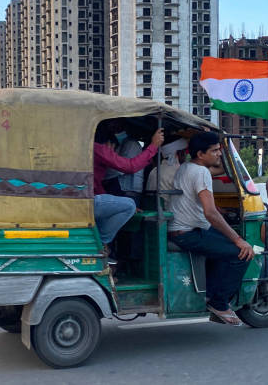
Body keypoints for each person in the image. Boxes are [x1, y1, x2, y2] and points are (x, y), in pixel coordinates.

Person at [169, 132, 254, 326]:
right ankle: (219, 303)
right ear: (201, 154)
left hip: (184, 229)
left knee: (225, 244)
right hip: (189, 233)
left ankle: (211, 295)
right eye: (215, 151)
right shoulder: (201, 172)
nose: (218, 154)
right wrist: (238, 240)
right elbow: (210, 213)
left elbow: (203, 205)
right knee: (241, 253)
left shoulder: (186, 167)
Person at [94, 125, 164, 262]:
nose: (113, 152)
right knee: (129, 204)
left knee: (125, 206)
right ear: (108, 143)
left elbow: (97, 187)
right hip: (89, 202)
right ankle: (101, 241)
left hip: (88, 200)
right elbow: (130, 167)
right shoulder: (99, 149)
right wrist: (154, 146)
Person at [146, 138, 188, 211]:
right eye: (185, 152)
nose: (186, 155)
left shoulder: (154, 170)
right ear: (179, 153)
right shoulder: (180, 171)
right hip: (170, 214)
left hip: (153, 211)